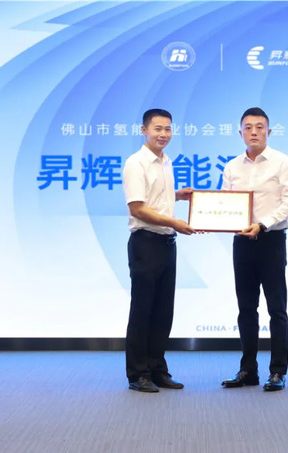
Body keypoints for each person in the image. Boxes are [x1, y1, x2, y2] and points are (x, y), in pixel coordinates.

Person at [220, 107, 288, 391]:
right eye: (248, 127)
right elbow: (225, 204)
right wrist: (210, 219)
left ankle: (277, 371)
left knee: (277, 309)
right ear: (240, 132)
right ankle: (248, 370)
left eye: (259, 127)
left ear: (269, 131)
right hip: (242, 243)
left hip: (271, 240)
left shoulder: (282, 162)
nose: (254, 132)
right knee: (246, 308)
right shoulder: (232, 166)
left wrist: (262, 224)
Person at [122, 108, 195, 393]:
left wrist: (178, 196)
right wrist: (175, 222)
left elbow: (155, 198)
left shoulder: (166, 162)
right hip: (146, 243)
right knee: (143, 310)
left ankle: (157, 369)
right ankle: (138, 373)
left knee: (163, 311)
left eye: (167, 129)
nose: (163, 134)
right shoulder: (136, 163)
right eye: (157, 129)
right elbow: (138, 208)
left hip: (166, 243)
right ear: (144, 131)